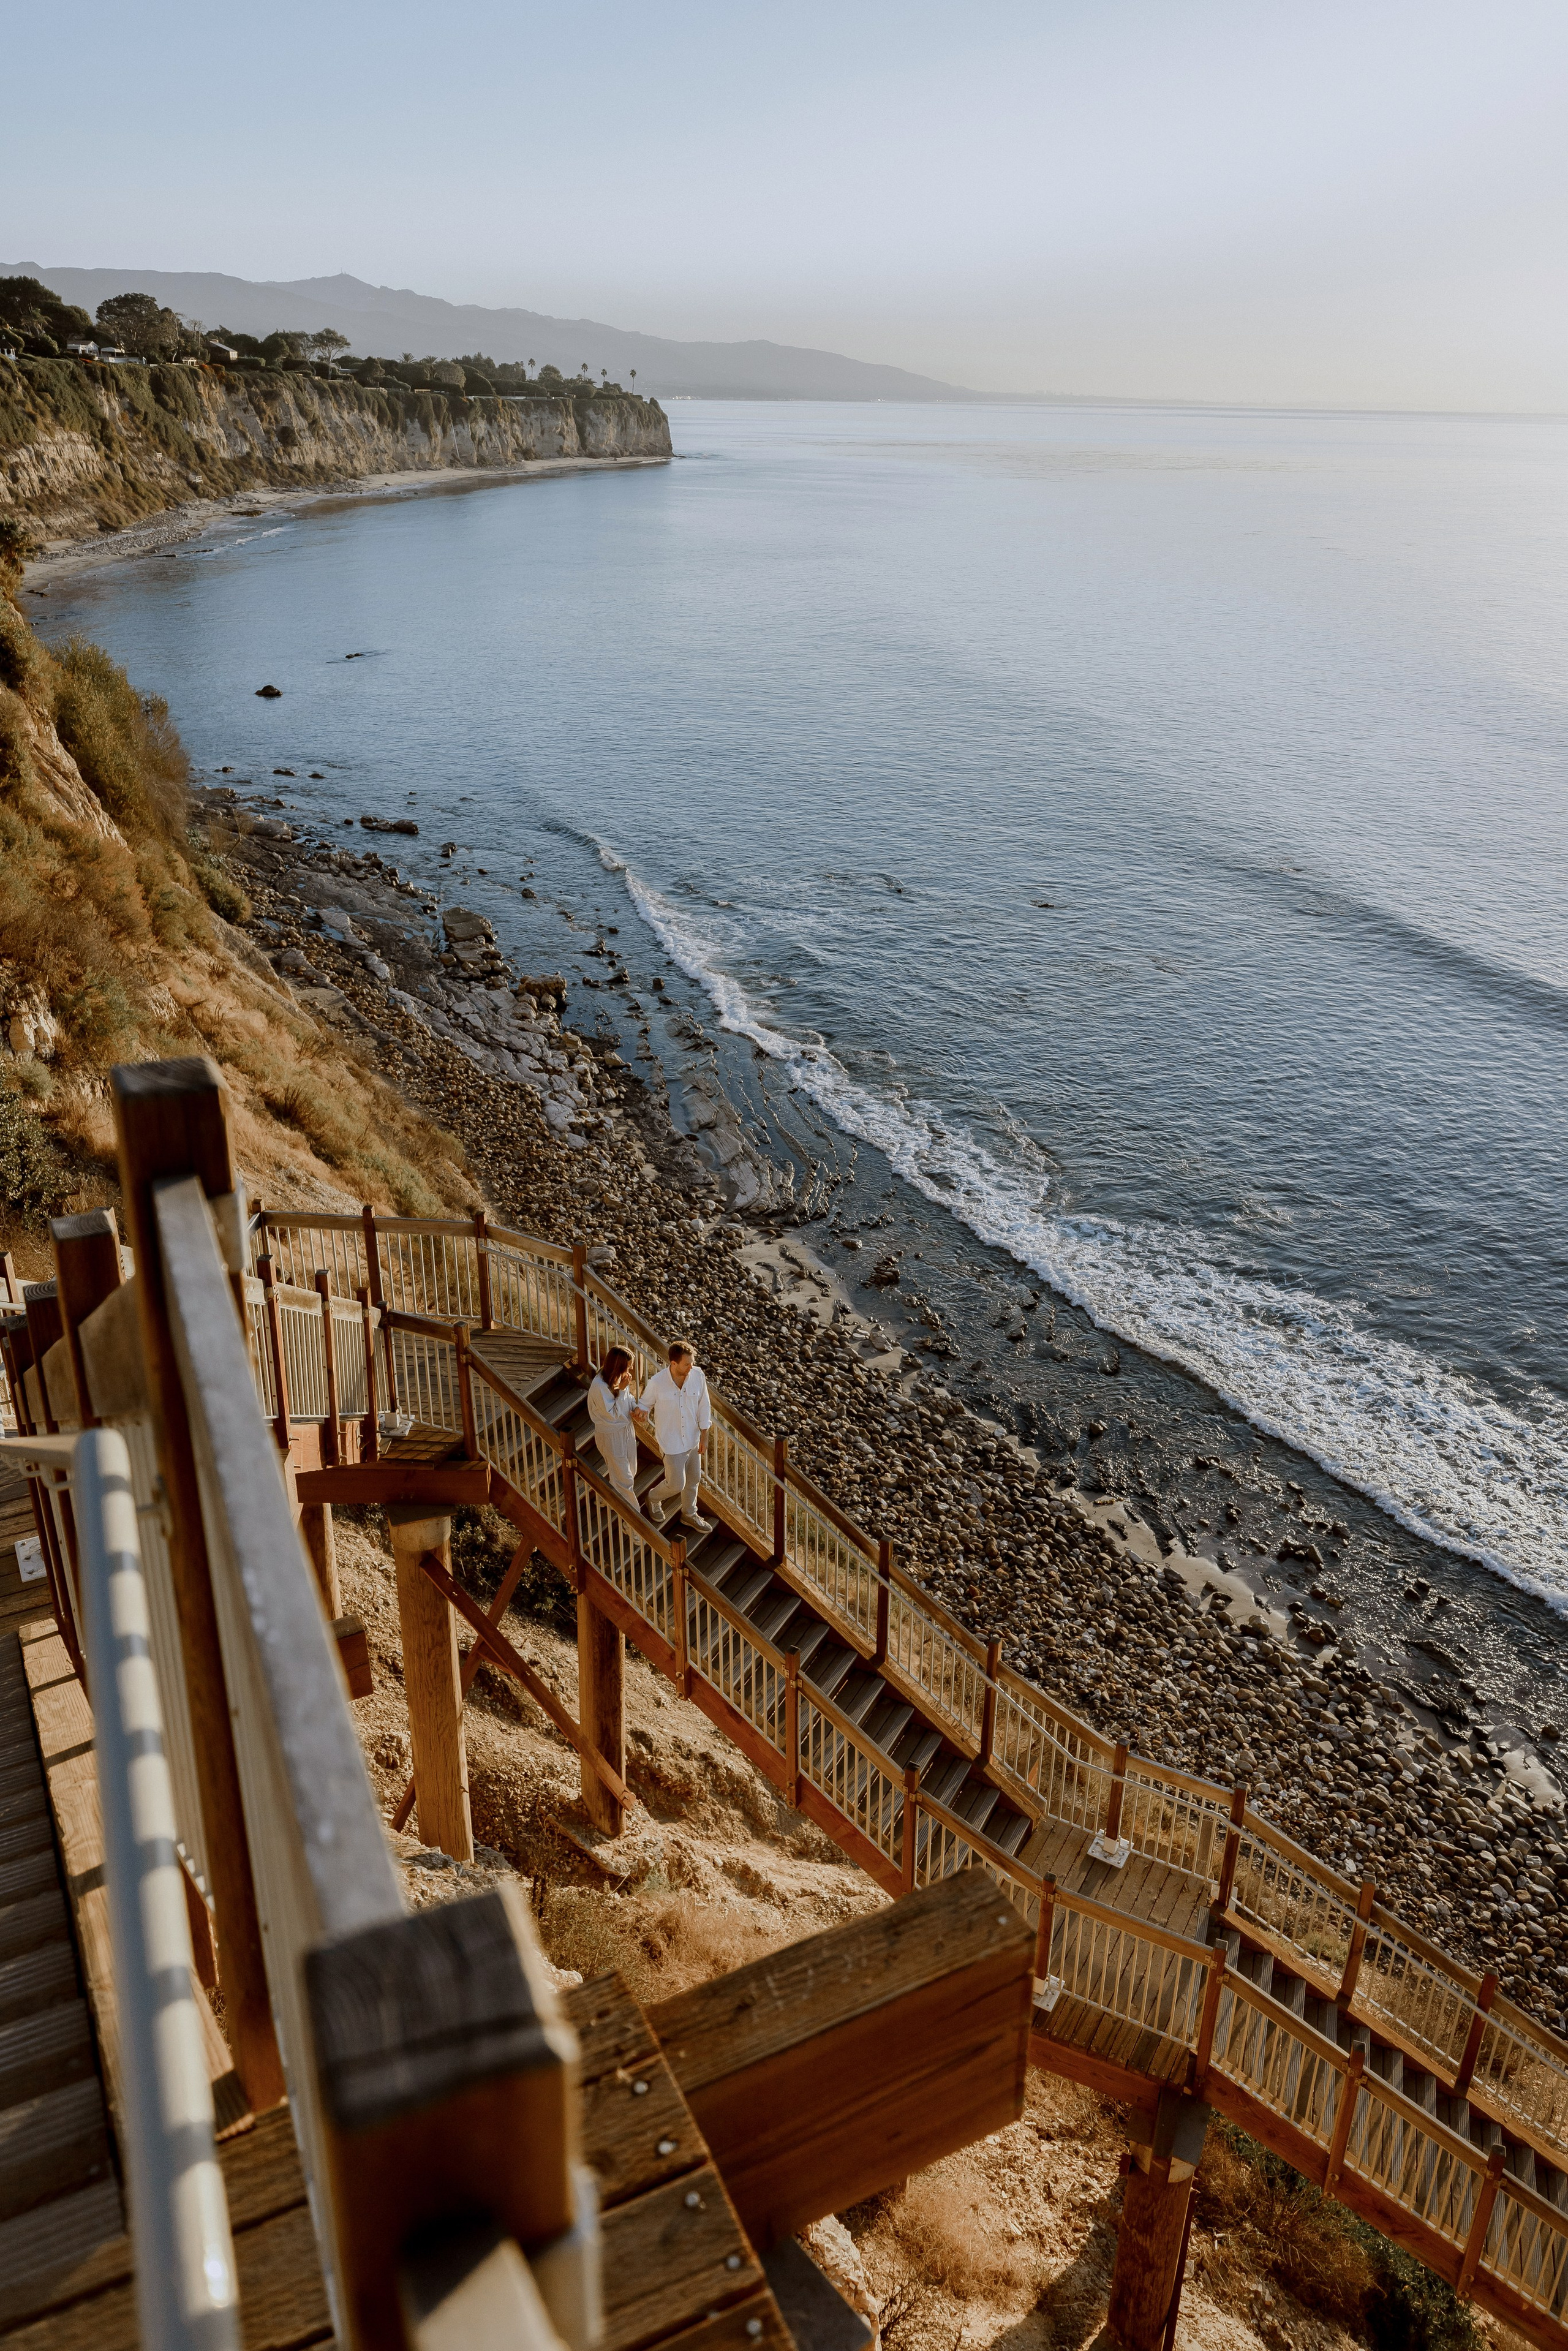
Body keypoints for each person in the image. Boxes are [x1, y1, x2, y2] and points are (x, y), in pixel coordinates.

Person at [636, 1340, 713, 1532]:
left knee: (694, 1479)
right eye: (687, 1364)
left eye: (692, 1362)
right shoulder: (657, 1382)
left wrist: (705, 1435)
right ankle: (653, 1498)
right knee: (676, 1484)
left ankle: (689, 1514)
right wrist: (642, 1412)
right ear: (674, 1364)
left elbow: (704, 1406)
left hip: (693, 1440)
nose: (691, 1366)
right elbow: (645, 1404)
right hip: (671, 1444)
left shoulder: (698, 1376)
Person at [587, 1345, 641, 1511]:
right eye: (629, 1366)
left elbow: (628, 1398)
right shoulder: (599, 1386)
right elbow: (612, 1414)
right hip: (611, 1436)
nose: (631, 1369)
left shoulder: (617, 1377)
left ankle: (608, 1497)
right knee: (625, 1481)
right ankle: (634, 1524)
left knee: (630, 1472)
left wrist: (635, 1408)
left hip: (626, 1430)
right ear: (619, 1366)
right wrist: (623, 1390)